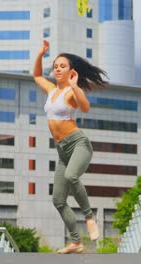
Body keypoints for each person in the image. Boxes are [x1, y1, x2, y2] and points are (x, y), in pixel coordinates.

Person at [33, 40, 108, 254]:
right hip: (62, 151)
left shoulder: (70, 93)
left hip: (78, 144)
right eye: (55, 66)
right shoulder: (52, 91)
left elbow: (85, 107)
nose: (57, 69)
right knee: (58, 199)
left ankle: (89, 217)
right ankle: (76, 241)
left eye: (62, 66)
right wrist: (40, 54)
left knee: (71, 177)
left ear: (71, 71)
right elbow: (38, 76)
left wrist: (75, 86)